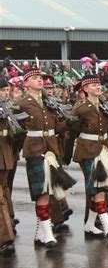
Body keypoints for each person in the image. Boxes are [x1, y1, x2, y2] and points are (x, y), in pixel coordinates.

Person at [17, 68, 73, 248]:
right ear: (26, 83)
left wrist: (70, 123)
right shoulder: (21, 104)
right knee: (42, 192)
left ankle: (41, 232)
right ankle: (47, 233)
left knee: (51, 191)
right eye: (35, 78)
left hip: (51, 149)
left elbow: (56, 128)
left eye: (40, 78)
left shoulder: (49, 102)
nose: (40, 80)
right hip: (34, 149)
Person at [71, 75, 108, 240]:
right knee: (98, 188)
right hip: (87, 150)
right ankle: (107, 226)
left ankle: (90, 225)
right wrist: (65, 153)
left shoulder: (105, 107)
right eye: (93, 85)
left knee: (98, 188)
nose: (98, 87)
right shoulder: (80, 108)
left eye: (98, 84)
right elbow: (71, 132)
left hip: (103, 150)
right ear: (85, 89)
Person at [0, 78, 16, 257]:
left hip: (5, 156)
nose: (6, 93)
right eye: (3, 90)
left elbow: (12, 137)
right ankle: (5, 237)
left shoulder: (6, 109)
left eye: (7, 90)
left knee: (4, 192)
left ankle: (9, 225)